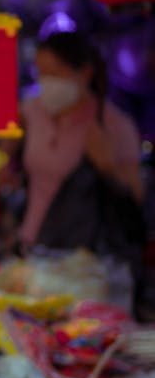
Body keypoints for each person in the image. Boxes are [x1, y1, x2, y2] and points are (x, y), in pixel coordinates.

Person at [18, 29, 144, 278]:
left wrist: (107, 166)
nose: (47, 82)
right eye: (41, 73)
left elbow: (136, 199)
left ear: (85, 73)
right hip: (34, 246)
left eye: (55, 73)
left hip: (86, 262)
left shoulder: (114, 124)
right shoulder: (32, 111)